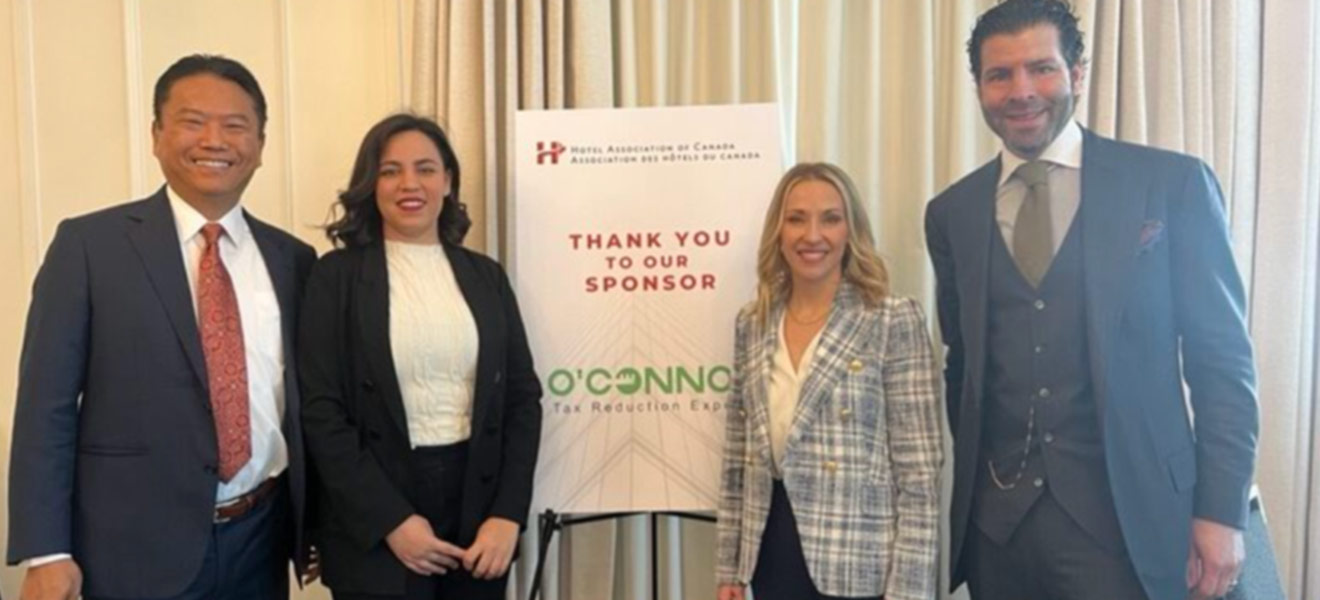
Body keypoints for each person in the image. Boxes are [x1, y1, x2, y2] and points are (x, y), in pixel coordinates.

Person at [925, 1, 1260, 599]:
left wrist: (1220, 511)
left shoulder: (1171, 184)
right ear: (979, 87)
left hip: (1129, 523)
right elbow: (964, 363)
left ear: (1076, 74)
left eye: (1041, 68)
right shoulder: (951, 213)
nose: (1021, 91)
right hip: (998, 534)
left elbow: (1223, 364)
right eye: (1000, 75)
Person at [7, 54, 317, 599]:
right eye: (193, 121)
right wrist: (47, 551)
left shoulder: (293, 259)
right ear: (156, 135)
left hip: (261, 540)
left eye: (235, 125)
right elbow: (45, 406)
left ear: (260, 146)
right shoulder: (89, 247)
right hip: (131, 548)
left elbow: (308, 406)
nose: (214, 140)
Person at [299, 113, 542, 600]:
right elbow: (321, 412)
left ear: (448, 181)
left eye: (426, 168)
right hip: (376, 509)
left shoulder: (486, 276)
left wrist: (507, 516)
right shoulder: (335, 277)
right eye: (390, 170)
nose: (409, 183)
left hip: (478, 509)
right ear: (371, 184)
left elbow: (522, 399)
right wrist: (391, 521)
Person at [715, 163, 943, 600]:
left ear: (850, 230)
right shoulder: (753, 324)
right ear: (778, 231)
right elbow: (736, 461)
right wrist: (730, 568)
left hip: (860, 563)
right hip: (771, 552)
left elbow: (919, 475)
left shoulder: (891, 319)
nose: (812, 235)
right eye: (796, 218)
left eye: (830, 219)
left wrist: (909, 591)